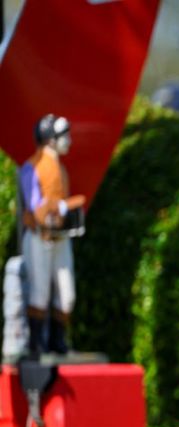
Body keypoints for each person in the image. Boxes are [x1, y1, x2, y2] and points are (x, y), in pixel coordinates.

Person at [18, 114, 85, 356]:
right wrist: (63, 207)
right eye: (63, 136)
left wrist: (64, 209)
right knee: (39, 292)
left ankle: (58, 343)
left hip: (60, 237)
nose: (68, 141)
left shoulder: (61, 169)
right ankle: (36, 344)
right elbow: (37, 209)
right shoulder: (32, 166)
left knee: (67, 296)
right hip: (40, 237)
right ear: (50, 139)